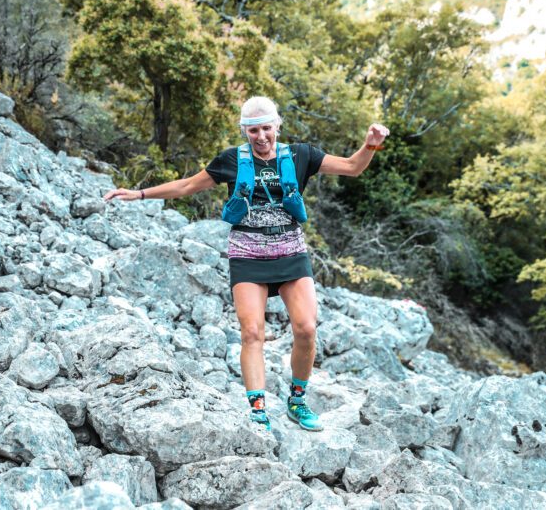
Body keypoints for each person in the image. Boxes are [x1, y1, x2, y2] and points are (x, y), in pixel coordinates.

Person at [103, 96, 389, 432]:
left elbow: (352, 167)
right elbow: (186, 186)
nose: (261, 136)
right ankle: (258, 411)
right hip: (247, 254)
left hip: (290, 252)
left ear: (277, 126)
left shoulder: (301, 155)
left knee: (306, 328)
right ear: (245, 131)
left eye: (267, 128)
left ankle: (297, 401)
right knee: (252, 332)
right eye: (253, 130)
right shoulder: (231, 160)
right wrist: (137, 194)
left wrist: (370, 146)